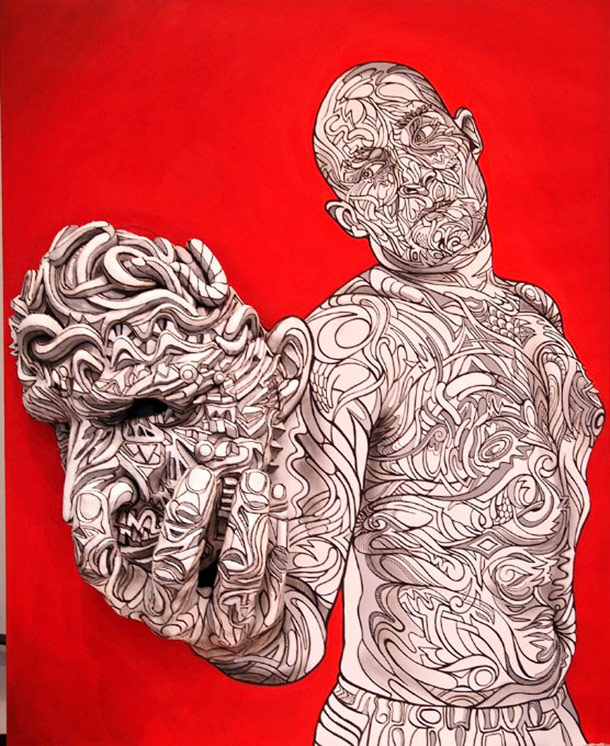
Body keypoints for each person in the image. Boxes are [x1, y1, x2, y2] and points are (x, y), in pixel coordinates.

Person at [11, 62, 604, 746]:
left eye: (423, 134)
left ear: (466, 137)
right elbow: (292, 625)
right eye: (374, 167)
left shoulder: (536, 317)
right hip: (410, 730)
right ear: (350, 216)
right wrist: (226, 625)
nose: (416, 175)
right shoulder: (353, 344)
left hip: (553, 720)